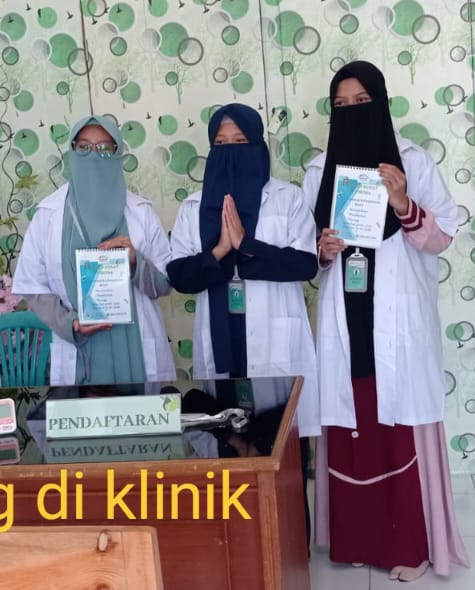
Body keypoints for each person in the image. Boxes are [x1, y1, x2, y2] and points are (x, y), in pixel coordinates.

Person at [304, 61, 469, 582]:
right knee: (353, 426)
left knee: (398, 426)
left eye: (362, 102)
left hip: (399, 319)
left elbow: (444, 237)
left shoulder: (413, 161)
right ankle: (355, 540)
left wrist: (402, 202)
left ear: (381, 103)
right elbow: (305, 250)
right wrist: (323, 250)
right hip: (345, 318)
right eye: (341, 105)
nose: (352, 112)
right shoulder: (319, 170)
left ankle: (409, 546)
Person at [165, 103, 320, 544]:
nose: (230, 150)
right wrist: (218, 252)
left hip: (274, 341)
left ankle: (291, 544)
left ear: (258, 145)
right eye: (220, 143)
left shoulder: (287, 197)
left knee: (280, 444)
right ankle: (236, 545)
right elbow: (180, 276)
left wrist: (246, 246)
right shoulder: (194, 205)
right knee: (225, 440)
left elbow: (304, 263)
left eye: (240, 142)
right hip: (220, 339)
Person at [11, 116, 176, 386]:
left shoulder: (141, 212)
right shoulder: (48, 215)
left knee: (142, 413)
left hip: (137, 346)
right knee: (82, 412)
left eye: (104, 148)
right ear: (72, 152)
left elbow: (166, 283)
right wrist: (69, 323)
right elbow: (33, 287)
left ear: (117, 154)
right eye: (84, 147)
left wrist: (136, 262)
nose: (93, 156)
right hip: (78, 348)